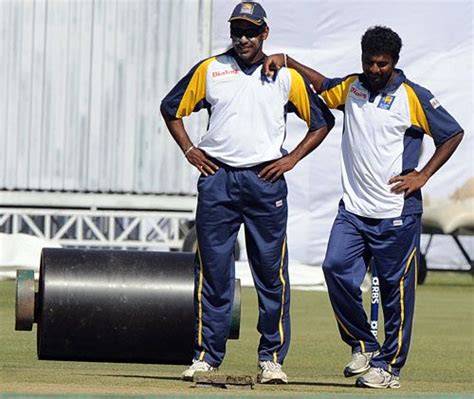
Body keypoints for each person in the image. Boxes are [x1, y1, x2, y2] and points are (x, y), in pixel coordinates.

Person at [263, 26, 463, 389]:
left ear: (394, 63)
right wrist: (289, 61)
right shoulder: (352, 87)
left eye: (381, 64)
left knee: (394, 292)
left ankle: (389, 368)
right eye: (369, 62)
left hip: (397, 213)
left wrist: (423, 174)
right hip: (353, 212)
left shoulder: (412, 96)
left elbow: (452, 134)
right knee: (334, 268)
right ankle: (363, 345)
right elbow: (323, 85)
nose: (374, 70)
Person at [160, 1, 334, 384]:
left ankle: (271, 358)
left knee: (271, 274)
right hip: (218, 178)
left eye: (251, 32)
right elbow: (171, 107)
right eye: (237, 31)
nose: (243, 39)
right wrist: (190, 149)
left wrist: (292, 160)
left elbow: (323, 122)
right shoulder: (211, 69)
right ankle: (207, 356)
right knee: (213, 273)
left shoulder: (284, 76)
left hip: (265, 181)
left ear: (265, 34)